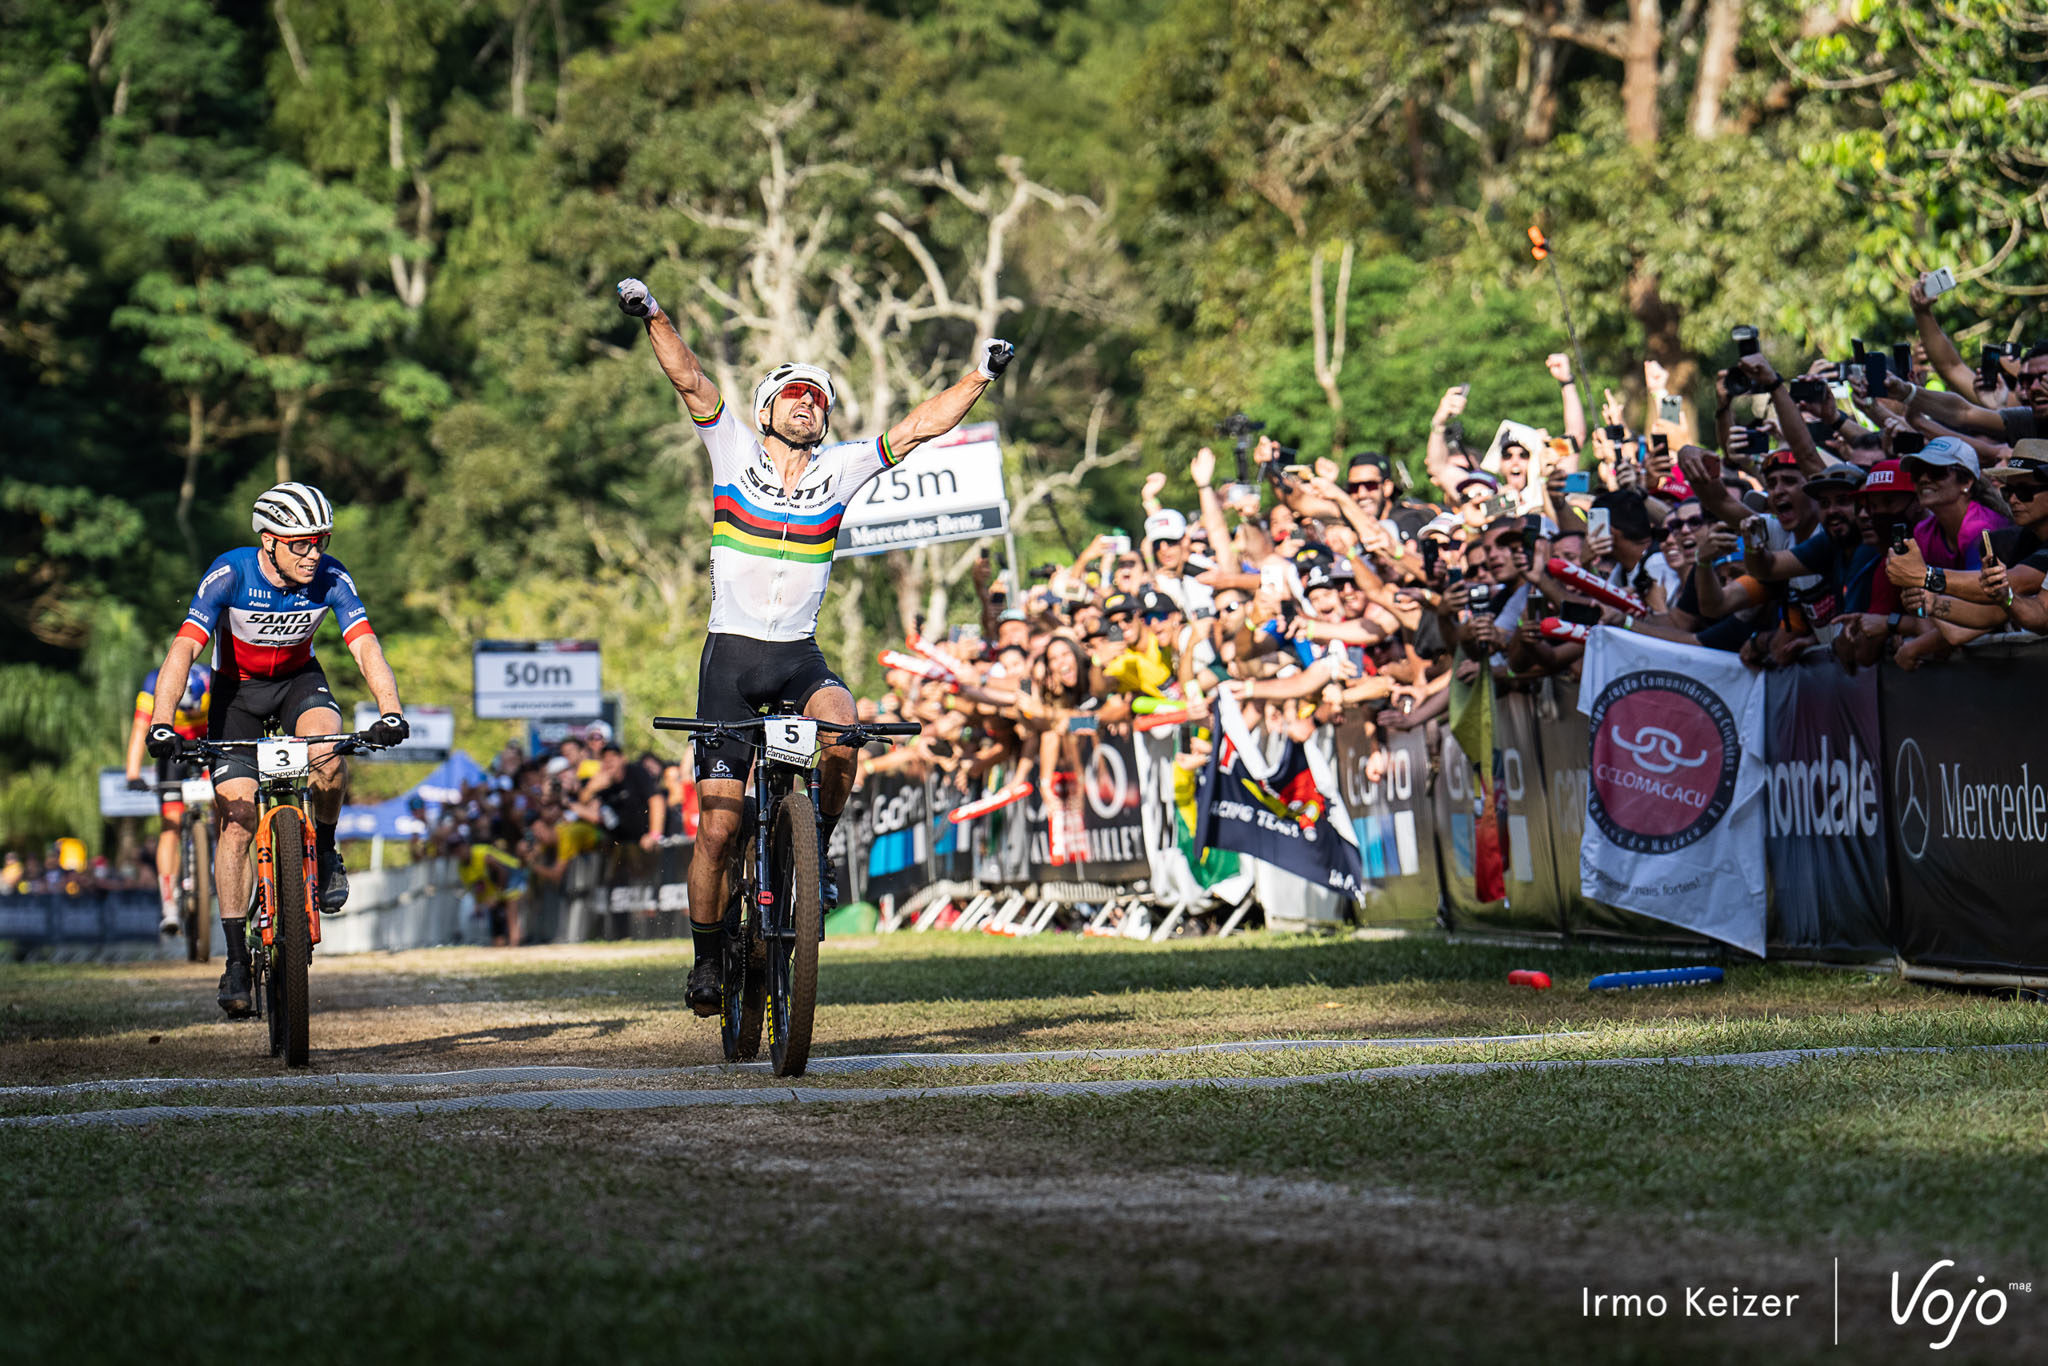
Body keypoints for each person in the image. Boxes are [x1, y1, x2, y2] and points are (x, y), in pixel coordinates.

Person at [616, 274, 1012, 1016]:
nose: (810, 404)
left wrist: (982, 375)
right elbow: (690, 377)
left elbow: (923, 425)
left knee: (844, 726)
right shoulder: (732, 449)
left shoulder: (843, 469)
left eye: (820, 400)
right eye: (796, 395)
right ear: (767, 409)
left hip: (798, 655)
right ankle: (707, 959)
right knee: (719, 829)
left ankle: (814, 844)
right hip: (731, 661)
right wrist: (654, 315)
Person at [142, 482, 409, 1017]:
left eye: (322, 541)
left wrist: (391, 710)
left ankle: (327, 852)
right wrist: (162, 722)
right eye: (301, 544)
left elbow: (365, 646)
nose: (314, 554)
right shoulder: (230, 573)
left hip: (298, 685)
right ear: (269, 541)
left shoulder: (331, 577)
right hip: (235, 695)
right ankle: (237, 960)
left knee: (329, 756)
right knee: (237, 820)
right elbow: (183, 651)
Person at [123, 661, 212, 934]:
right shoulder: (154, 684)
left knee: (226, 802)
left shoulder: (211, 680)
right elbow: (140, 728)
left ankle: (220, 862)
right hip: (170, 747)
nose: (190, 711)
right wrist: (132, 773)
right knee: (170, 823)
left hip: (205, 741)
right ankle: (169, 901)